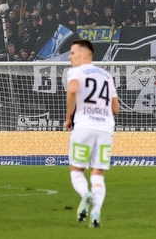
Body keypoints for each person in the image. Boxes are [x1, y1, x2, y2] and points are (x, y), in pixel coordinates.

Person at [66, 39, 119, 228]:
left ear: (84, 54)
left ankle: (84, 194)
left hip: (84, 126)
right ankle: (96, 210)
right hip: (105, 129)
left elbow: (72, 90)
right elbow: (116, 107)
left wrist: (68, 117)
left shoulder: (75, 72)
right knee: (98, 174)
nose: (69, 56)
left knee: (77, 170)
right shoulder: (106, 75)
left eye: (73, 53)